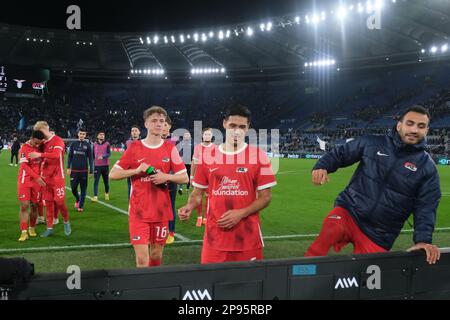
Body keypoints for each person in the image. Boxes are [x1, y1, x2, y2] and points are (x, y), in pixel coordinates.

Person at [305, 105, 441, 265]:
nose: (414, 130)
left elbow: (426, 207)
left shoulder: (427, 168)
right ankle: (300, 279)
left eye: (421, 126)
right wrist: (322, 165)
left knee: (369, 282)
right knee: (328, 233)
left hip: (380, 233)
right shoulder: (373, 143)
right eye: (409, 123)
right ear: (399, 125)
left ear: (426, 131)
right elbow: (341, 153)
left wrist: (423, 240)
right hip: (349, 212)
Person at [178, 104, 276, 264]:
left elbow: (266, 197)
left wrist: (241, 213)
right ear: (224, 124)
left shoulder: (260, 156)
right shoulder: (207, 156)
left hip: (247, 239)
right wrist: (189, 206)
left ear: (248, 128)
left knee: (248, 286)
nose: (237, 131)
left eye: (242, 126)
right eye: (232, 125)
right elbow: (197, 194)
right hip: (214, 238)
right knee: (212, 284)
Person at [109, 106, 188, 268]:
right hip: (139, 213)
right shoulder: (134, 147)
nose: (159, 124)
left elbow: (184, 177)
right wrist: (137, 170)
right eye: (154, 121)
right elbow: (113, 174)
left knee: (156, 255)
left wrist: (165, 176)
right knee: (142, 260)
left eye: (161, 121)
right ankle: (142, 292)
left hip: (161, 213)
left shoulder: (170, 148)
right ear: (146, 124)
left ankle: (153, 286)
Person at [29, 122, 71, 237]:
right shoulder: (43, 143)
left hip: (58, 177)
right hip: (46, 178)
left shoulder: (57, 140)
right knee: (48, 204)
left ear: (43, 129)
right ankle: (49, 228)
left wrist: (40, 155)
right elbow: (33, 148)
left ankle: (66, 221)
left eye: (38, 131)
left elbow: (56, 155)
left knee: (60, 201)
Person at [17, 130, 46, 241]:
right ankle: (24, 232)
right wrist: (37, 177)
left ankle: (32, 227)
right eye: (36, 143)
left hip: (36, 183)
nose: (37, 145)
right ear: (32, 138)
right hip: (25, 181)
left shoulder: (40, 146)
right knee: (24, 205)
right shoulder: (24, 148)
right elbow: (24, 166)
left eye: (39, 143)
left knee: (34, 205)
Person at [191, 127, 217, 227]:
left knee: (208, 197)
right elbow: (194, 162)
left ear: (212, 136)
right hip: (199, 175)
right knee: (198, 196)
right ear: (202, 135)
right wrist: (191, 175)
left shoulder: (215, 147)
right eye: (205, 134)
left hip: (210, 176)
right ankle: (199, 217)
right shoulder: (198, 147)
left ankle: (206, 217)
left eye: (209, 134)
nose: (207, 136)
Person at [67, 128, 94, 212]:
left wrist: (91, 170)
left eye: (83, 134)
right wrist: (68, 167)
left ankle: (80, 206)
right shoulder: (73, 144)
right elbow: (70, 156)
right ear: (78, 134)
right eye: (80, 133)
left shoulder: (88, 145)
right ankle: (78, 199)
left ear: (85, 135)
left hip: (84, 171)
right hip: (74, 171)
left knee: (83, 189)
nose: (82, 135)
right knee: (73, 188)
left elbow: (90, 158)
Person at [162, 116, 177, 244]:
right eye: (161, 124)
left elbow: (179, 161)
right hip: (156, 178)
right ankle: (159, 231)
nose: (163, 126)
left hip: (170, 178)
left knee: (170, 206)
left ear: (170, 126)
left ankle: (171, 232)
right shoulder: (156, 140)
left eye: (165, 124)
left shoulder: (175, 141)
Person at [93, 131, 111, 202]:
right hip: (97, 166)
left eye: (103, 135)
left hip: (105, 166)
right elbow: (92, 155)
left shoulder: (107, 144)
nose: (102, 136)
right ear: (97, 136)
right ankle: (95, 196)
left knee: (106, 182)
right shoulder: (94, 144)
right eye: (100, 134)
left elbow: (109, 154)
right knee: (96, 181)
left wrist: (103, 157)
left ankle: (106, 193)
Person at [125, 125, 141, 200]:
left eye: (135, 131)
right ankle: (131, 206)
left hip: (140, 169)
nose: (134, 132)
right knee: (130, 187)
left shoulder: (143, 143)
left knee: (142, 188)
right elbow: (125, 157)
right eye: (132, 131)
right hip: (130, 170)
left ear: (139, 132)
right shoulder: (128, 143)